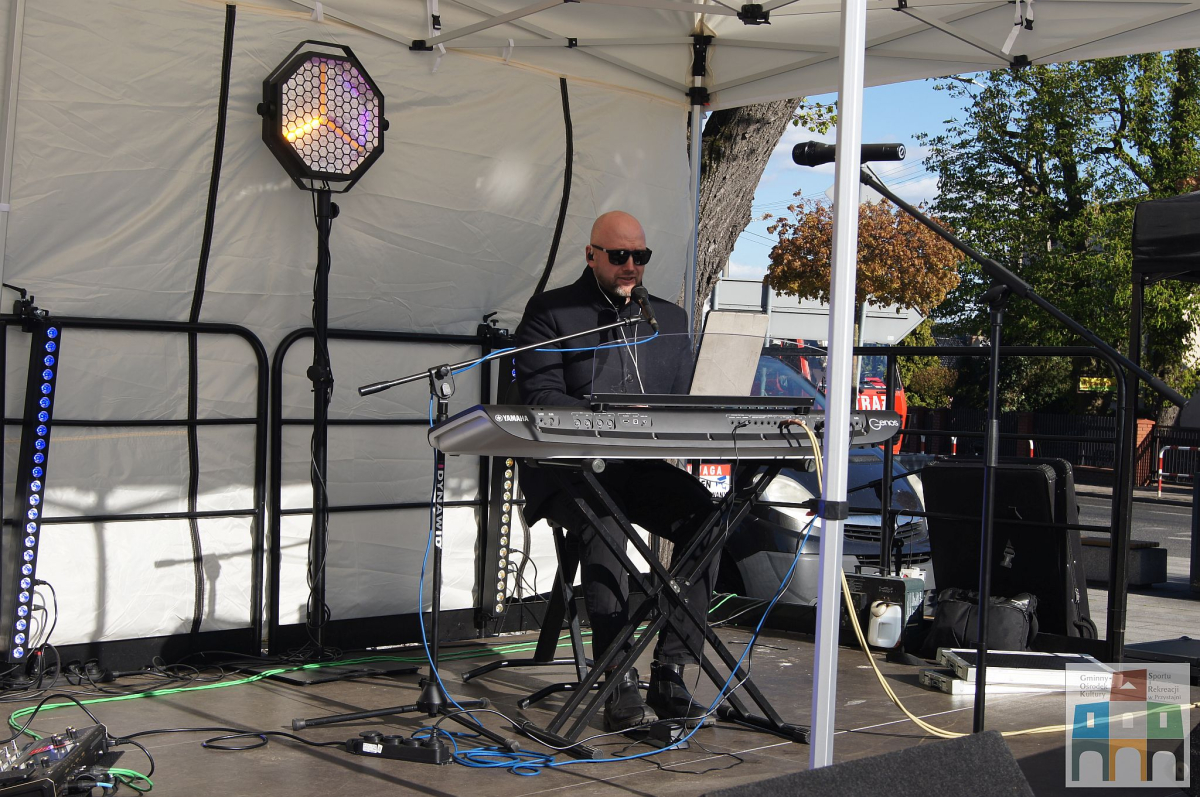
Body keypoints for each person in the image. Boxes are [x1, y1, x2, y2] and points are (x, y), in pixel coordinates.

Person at [514, 210, 718, 732]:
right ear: (591, 255)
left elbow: (687, 402)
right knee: (606, 524)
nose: (631, 265)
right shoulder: (552, 312)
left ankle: (671, 670)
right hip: (567, 470)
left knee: (707, 517)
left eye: (640, 256)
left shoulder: (667, 318)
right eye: (619, 255)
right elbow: (539, 396)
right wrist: (608, 414)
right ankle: (618, 678)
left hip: (634, 468)